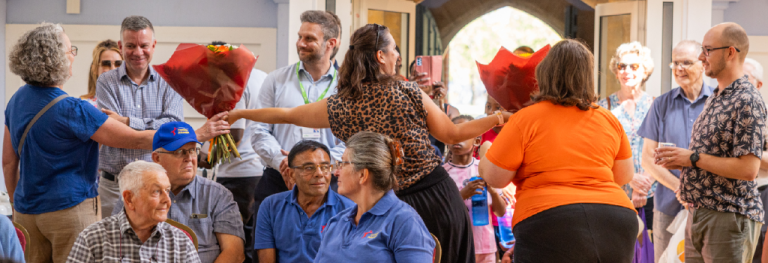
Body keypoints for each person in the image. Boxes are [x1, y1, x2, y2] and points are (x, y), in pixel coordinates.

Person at [229, 23, 517, 263]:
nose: (398, 57)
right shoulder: (407, 90)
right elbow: (452, 134)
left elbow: (286, 114)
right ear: (380, 55)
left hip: (384, 205)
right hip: (435, 197)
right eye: (394, 50)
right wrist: (497, 118)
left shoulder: (341, 105)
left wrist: (240, 113)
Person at [2, 22, 161, 263]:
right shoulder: (74, 109)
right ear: (57, 59)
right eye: (70, 50)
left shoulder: (17, 100)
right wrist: (191, 135)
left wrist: (16, 204)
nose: (73, 56)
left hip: (27, 213)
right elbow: (136, 140)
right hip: (69, 212)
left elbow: (8, 161)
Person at [479, 39, 638, 262]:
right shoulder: (608, 119)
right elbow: (624, 175)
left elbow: (496, 178)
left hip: (548, 219)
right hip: (614, 219)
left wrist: (485, 149)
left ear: (543, 74)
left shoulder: (526, 119)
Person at [97, 15, 228, 219]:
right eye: (130, 46)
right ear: (121, 46)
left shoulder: (169, 81)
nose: (138, 52)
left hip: (156, 186)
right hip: (114, 187)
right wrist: (155, 129)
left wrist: (127, 122)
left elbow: (172, 129)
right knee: (114, 239)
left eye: (144, 45)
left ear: (154, 45)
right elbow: (115, 135)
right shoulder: (106, 82)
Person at [655, 22, 766, 262]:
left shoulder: (747, 99)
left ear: (730, 52)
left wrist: (692, 159)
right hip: (698, 214)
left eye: (707, 50)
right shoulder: (716, 97)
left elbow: (748, 169)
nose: (700, 57)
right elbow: (713, 160)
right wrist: (682, 163)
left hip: (728, 216)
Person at [249, 11, 345, 251]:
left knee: (328, 251)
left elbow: (353, 141)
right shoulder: (275, 80)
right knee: (266, 251)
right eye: (300, 37)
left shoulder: (347, 87)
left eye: (309, 38)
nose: (301, 43)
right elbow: (259, 130)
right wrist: (284, 162)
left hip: (329, 183)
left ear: (331, 43)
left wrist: (320, 165)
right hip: (279, 179)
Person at [112, 122, 245, 263]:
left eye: (192, 150)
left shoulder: (218, 195)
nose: (189, 158)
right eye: (179, 152)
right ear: (157, 158)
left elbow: (235, 253)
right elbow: (115, 245)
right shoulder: (135, 195)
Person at [637, 40, 714, 262]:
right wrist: (679, 188)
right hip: (668, 206)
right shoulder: (661, 104)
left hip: (710, 205)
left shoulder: (717, 103)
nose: (679, 68)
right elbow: (647, 158)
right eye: (675, 63)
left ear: (702, 64)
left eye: (686, 63)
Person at [313, 131, 435, 262]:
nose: (336, 172)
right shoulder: (337, 222)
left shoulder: (405, 222)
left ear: (362, 175)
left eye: (342, 164)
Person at [202, 41, 269, 263]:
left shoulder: (233, 83)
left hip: (238, 175)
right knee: (254, 238)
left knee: (235, 240)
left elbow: (234, 137)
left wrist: (206, 158)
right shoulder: (261, 77)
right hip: (259, 170)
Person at [66, 161, 200, 263]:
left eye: (167, 190)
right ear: (129, 198)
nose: (167, 200)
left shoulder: (181, 242)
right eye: (156, 191)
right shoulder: (92, 239)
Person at [254, 140, 354, 263]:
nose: (319, 174)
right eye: (309, 168)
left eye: (325, 167)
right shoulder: (271, 206)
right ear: (291, 174)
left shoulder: (350, 210)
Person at [597, 41, 657, 228]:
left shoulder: (657, 105)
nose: (626, 71)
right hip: (617, 193)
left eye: (634, 66)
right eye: (622, 66)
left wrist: (644, 184)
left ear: (644, 71)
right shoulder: (603, 107)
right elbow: (600, 152)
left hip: (652, 193)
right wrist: (631, 179)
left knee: (651, 245)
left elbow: (663, 147)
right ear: (616, 72)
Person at [445, 115, 506, 263]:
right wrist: (462, 195)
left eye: (464, 134)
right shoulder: (442, 174)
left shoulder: (484, 169)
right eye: (453, 134)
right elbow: (439, 212)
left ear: (477, 141)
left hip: (486, 246)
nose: (458, 139)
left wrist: (492, 191)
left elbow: (501, 212)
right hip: (457, 247)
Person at [81, 39, 122, 107]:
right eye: (106, 64)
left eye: (118, 64)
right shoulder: (84, 105)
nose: (113, 69)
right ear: (95, 69)